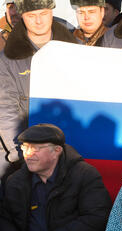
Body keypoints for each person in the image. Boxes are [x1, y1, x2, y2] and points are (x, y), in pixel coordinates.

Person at [0, 124, 112, 231]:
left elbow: (97, 219)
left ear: (56, 151)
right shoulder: (15, 181)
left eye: (35, 148)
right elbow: (4, 217)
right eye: (24, 147)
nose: (27, 154)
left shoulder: (85, 175)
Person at [0, 0, 77, 190]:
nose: (39, 21)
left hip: (69, 148)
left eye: (43, 13)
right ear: (21, 16)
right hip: (24, 150)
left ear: (51, 11)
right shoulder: (7, 59)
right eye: (31, 16)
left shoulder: (77, 51)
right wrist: (22, 154)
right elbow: (6, 110)